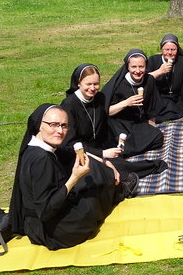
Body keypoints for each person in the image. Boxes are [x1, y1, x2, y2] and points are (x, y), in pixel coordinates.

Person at [9, 104, 139, 250]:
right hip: (57, 232)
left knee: (93, 168)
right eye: (53, 125)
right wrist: (74, 178)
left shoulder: (36, 147)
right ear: (39, 125)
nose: (60, 131)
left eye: (64, 126)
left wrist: (105, 161)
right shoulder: (42, 160)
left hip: (36, 227)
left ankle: (118, 189)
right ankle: (121, 190)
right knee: (93, 193)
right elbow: (45, 211)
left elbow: (70, 152)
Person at [61, 63, 168, 177]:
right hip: (83, 153)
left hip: (102, 143)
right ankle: (145, 168)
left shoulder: (100, 98)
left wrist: (119, 141)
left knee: (155, 136)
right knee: (114, 167)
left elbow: (105, 124)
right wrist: (102, 153)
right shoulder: (69, 105)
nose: (92, 88)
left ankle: (117, 157)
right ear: (78, 83)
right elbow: (69, 144)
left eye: (96, 84)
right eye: (88, 84)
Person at [101, 49, 164, 157]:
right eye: (134, 67)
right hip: (118, 123)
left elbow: (151, 109)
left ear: (146, 67)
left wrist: (152, 129)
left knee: (158, 137)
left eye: (141, 67)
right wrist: (126, 103)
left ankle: (125, 150)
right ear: (128, 67)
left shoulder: (149, 80)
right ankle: (124, 149)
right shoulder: (119, 84)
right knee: (121, 139)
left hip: (136, 123)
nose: (138, 71)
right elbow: (107, 112)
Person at [147, 33, 183, 122]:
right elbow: (144, 80)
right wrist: (160, 71)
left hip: (175, 98)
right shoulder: (153, 60)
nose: (169, 53)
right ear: (161, 49)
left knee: (174, 110)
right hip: (157, 97)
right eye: (166, 49)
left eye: (173, 49)